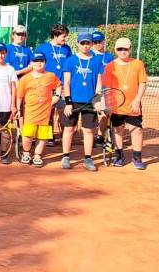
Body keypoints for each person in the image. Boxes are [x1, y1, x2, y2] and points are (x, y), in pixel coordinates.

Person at [60, 33, 104, 171]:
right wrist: (68, 102)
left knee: (88, 131)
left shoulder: (97, 61)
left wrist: (97, 101)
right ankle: (66, 156)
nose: (85, 46)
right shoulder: (70, 60)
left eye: (88, 43)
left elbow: (99, 83)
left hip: (90, 102)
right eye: (83, 43)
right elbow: (66, 83)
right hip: (72, 102)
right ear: (78, 44)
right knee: (69, 129)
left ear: (91, 44)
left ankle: (88, 158)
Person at [101, 37, 148, 170]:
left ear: (130, 49)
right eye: (120, 49)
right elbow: (106, 88)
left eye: (125, 49)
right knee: (118, 130)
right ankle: (119, 156)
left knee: (137, 130)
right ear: (115, 50)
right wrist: (108, 105)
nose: (123, 52)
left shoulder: (138, 64)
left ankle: (137, 158)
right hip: (116, 106)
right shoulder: (110, 67)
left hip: (133, 105)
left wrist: (137, 100)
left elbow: (142, 83)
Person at [16, 52, 62, 168]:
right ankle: (26, 153)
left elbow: (59, 85)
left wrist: (56, 96)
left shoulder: (51, 76)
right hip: (30, 112)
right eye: (36, 61)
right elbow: (19, 96)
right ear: (31, 63)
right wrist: (17, 109)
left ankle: (37, 155)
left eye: (41, 61)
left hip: (45, 112)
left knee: (42, 135)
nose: (38, 63)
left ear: (45, 63)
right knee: (27, 134)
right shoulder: (25, 79)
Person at [35, 24, 72, 146]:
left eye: (65, 36)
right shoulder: (43, 48)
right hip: (47, 85)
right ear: (55, 35)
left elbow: (70, 65)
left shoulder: (67, 49)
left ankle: (64, 136)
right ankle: (49, 136)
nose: (65, 39)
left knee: (63, 112)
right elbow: (36, 66)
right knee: (48, 112)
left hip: (62, 86)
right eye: (63, 36)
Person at [91, 30, 115, 146]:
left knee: (104, 114)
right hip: (90, 89)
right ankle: (89, 136)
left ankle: (100, 136)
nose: (97, 44)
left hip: (105, 90)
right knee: (90, 115)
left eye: (99, 41)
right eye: (94, 42)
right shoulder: (89, 55)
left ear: (104, 41)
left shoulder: (109, 57)